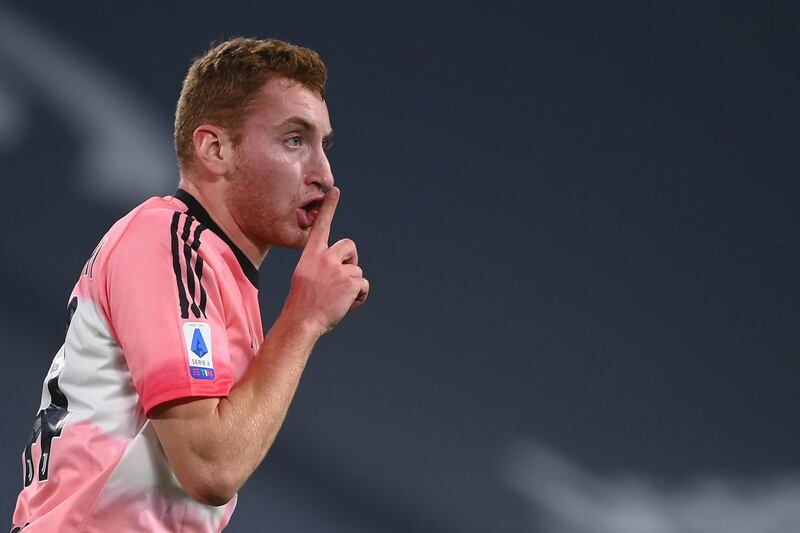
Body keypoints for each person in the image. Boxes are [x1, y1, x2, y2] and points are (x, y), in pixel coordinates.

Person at [10, 36, 368, 532]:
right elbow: (212, 467)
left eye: (323, 145)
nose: (323, 175)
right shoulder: (168, 240)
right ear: (215, 148)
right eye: (294, 140)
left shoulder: (214, 268)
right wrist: (304, 317)